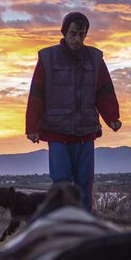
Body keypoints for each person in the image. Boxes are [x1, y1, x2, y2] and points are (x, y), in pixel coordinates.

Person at [25, 12, 121, 212]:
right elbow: (36, 94)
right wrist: (32, 127)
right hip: (57, 131)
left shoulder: (95, 58)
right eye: (73, 34)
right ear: (64, 32)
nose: (77, 39)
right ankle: (63, 224)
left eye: (82, 34)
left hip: (85, 132)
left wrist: (112, 117)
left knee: (85, 183)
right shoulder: (47, 58)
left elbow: (104, 90)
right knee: (62, 184)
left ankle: (83, 227)